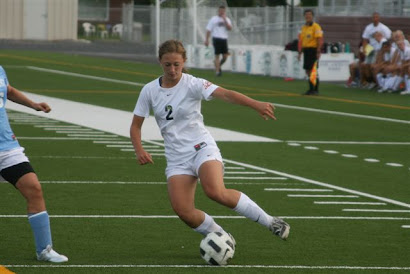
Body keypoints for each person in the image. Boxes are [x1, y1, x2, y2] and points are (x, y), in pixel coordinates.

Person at [130, 40, 290, 246]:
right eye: (167, 64)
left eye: (177, 64)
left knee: (214, 191)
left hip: (201, 147)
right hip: (177, 157)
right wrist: (139, 149)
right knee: (184, 211)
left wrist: (255, 104)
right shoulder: (149, 90)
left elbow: (226, 94)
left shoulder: (193, 83)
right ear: (160, 62)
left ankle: (271, 222)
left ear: (184, 62)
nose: (172, 69)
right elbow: (135, 126)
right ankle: (222, 236)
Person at [0, 66, 68, 263]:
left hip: (7, 147)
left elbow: (8, 90)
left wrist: (33, 105)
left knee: (33, 188)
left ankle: (44, 250)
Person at [297, 9, 323, 95]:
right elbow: (301, 41)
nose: (308, 16)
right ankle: (311, 88)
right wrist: (300, 52)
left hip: (313, 50)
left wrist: (318, 51)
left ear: (312, 16)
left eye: (309, 15)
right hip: (306, 50)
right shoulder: (303, 27)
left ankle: (315, 89)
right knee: (307, 70)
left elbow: (319, 39)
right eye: (306, 15)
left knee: (313, 69)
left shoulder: (316, 26)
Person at [204, 5, 232, 77]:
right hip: (216, 38)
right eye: (220, 10)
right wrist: (206, 40)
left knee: (225, 56)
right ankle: (217, 72)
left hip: (224, 39)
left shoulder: (227, 19)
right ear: (218, 11)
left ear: (224, 11)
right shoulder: (213, 19)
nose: (221, 12)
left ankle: (217, 66)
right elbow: (208, 30)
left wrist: (225, 20)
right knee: (217, 56)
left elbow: (230, 28)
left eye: (223, 11)